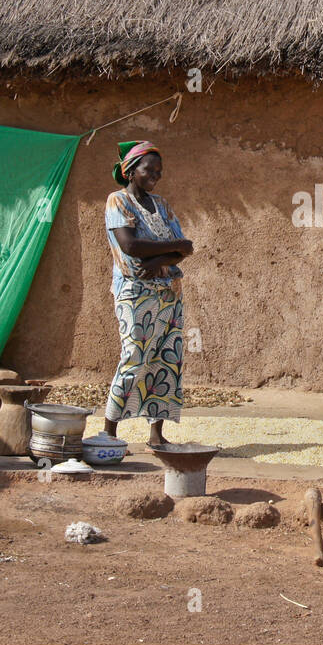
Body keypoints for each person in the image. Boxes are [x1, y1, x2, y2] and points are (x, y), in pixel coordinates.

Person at [103, 140, 194, 448]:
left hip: (169, 292)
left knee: (166, 358)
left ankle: (156, 435)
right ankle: (109, 433)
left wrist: (158, 261)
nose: (155, 174)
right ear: (130, 170)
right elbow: (130, 246)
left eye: (159, 170)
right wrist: (173, 249)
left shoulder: (163, 205)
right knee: (134, 356)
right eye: (148, 169)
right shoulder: (118, 201)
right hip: (134, 291)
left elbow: (186, 248)